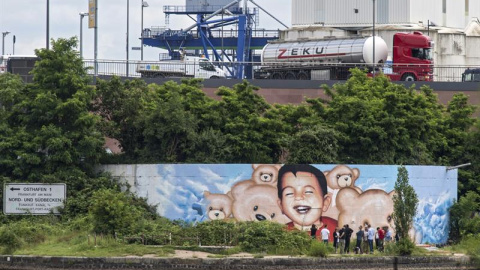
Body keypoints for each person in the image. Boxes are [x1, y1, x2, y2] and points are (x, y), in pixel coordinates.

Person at [276, 164, 337, 232]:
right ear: (281, 205)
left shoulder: (336, 227)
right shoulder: (282, 233)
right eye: (289, 193)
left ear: (325, 202)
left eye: (308, 192)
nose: (298, 197)